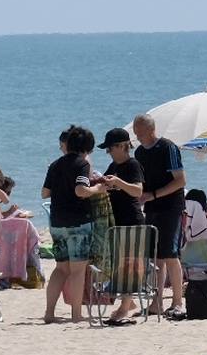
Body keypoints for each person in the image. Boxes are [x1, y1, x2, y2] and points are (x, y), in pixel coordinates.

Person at [41, 126, 99, 323]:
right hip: (79, 222)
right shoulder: (82, 164)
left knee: (61, 269)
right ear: (86, 147)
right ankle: (76, 315)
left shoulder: (55, 165)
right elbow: (81, 190)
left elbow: (44, 193)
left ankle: (49, 313)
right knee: (77, 270)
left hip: (57, 222)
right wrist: (97, 188)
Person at [133, 114, 187, 320]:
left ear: (150, 129)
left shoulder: (168, 147)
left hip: (171, 207)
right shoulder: (139, 152)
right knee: (156, 256)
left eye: (140, 131)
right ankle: (157, 302)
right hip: (151, 207)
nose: (137, 135)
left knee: (171, 254)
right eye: (136, 131)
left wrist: (153, 195)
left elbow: (180, 180)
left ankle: (177, 302)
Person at [98, 128, 147, 326]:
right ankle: (129, 302)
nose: (109, 152)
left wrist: (117, 181)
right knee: (121, 264)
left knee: (131, 264)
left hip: (132, 219)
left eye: (110, 148)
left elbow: (138, 191)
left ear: (121, 146)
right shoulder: (112, 165)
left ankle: (125, 307)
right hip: (116, 221)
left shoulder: (133, 164)